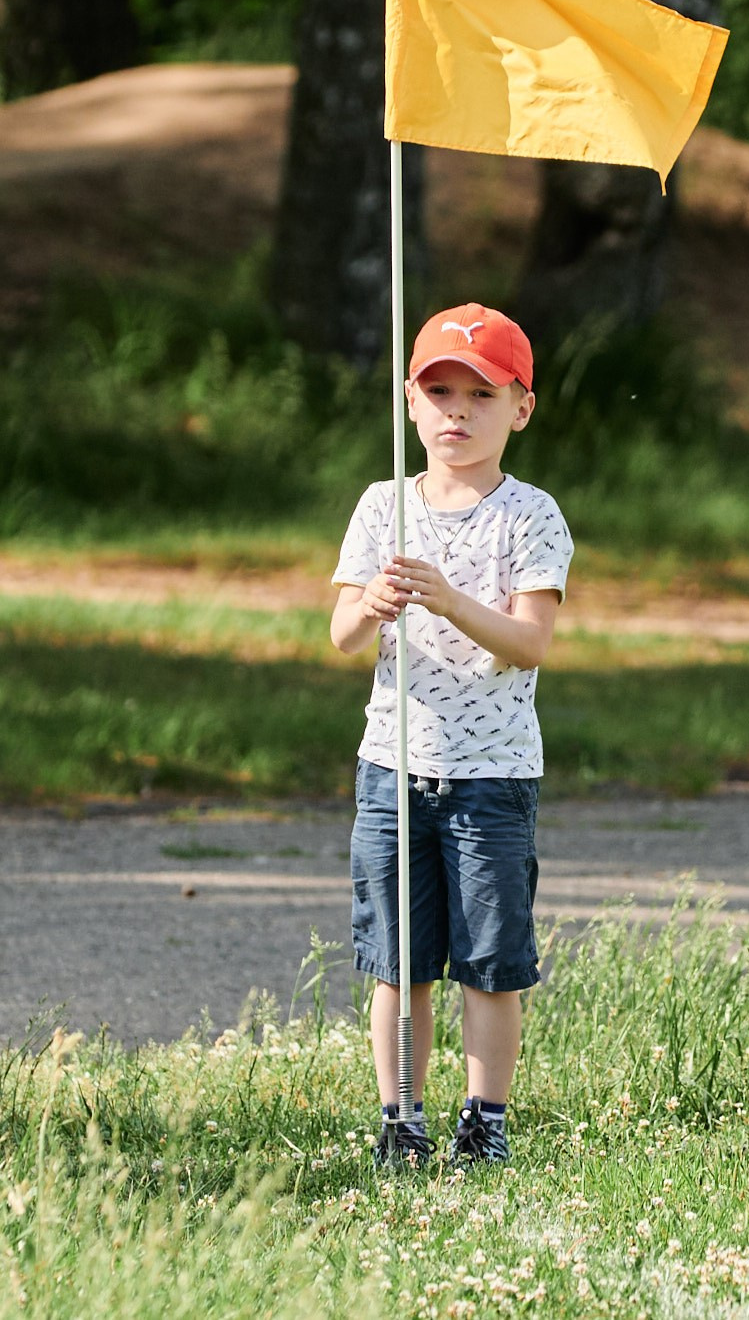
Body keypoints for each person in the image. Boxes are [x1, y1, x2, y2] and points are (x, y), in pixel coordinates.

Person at [329, 301, 572, 1172]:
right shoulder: (382, 506)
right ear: (410, 402)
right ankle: (402, 1118)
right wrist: (373, 602)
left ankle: (485, 1119)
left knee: (490, 964)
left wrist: (446, 598)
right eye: (439, 393)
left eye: (481, 394)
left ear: (521, 408)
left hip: (491, 776)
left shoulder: (531, 515)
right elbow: (342, 635)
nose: (457, 412)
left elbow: (530, 641)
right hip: (393, 770)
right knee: (399, 964)